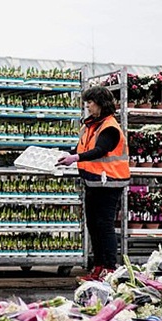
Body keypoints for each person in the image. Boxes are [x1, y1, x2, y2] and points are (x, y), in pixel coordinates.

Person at [56, 85, 130, 281]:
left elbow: (100, 150)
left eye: (90, 102)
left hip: (109, 182)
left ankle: (109, 268)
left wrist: (76, 158)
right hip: (93, 181)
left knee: (104, 225)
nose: (87, 106)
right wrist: (67, 156)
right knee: (93, 225)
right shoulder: (90, 126)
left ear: (101, 104)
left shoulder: (110, 127)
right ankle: (98, 267)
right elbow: (81, 148)